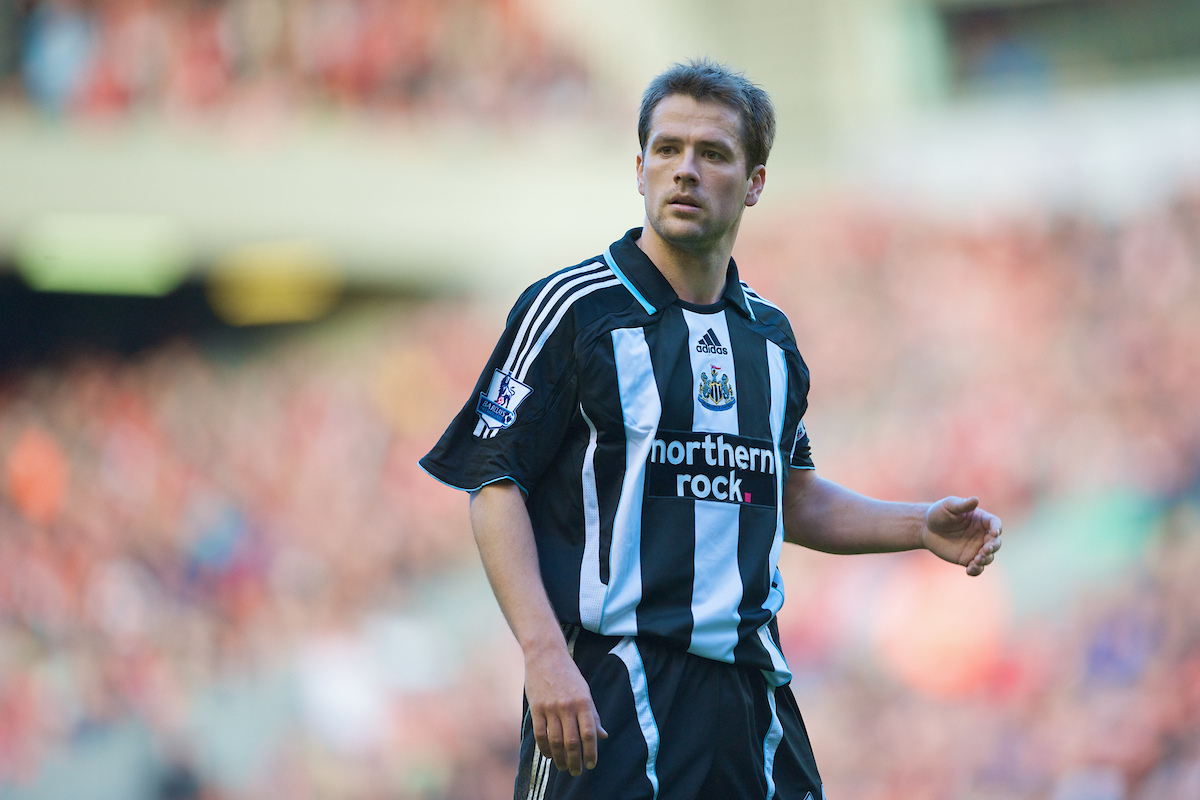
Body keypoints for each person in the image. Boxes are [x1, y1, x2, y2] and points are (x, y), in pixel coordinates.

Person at [420, 58, 1002, 800]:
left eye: (713, 154)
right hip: (608, 685)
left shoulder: (770, 338)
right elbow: (493, 483)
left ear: (755, 182)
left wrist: (919, 526)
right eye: (667, 150)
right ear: (638, 169)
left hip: (749, 692)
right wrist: (543, 656)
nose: (685, 171)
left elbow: (789, 497)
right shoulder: (572, 309)